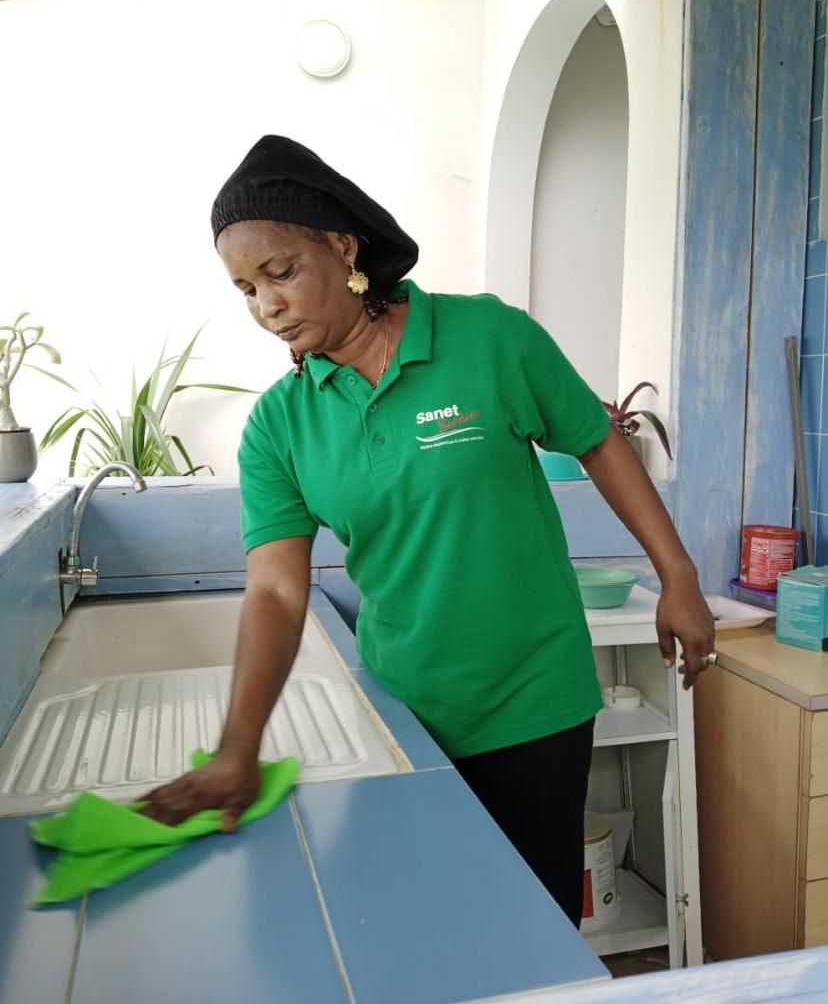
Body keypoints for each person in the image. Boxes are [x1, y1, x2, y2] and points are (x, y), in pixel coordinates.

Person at [141, 135, 715, 927]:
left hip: (532, 705)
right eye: (244, 288)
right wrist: (239, 744)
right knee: (424, 925)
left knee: (530, 929)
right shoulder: (280, 424)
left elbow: (597, 438)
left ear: (342, 248)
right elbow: (275, 588)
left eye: (279, 273)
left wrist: (677, 573)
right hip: (403, 714)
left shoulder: (487, 338)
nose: (265, 304)